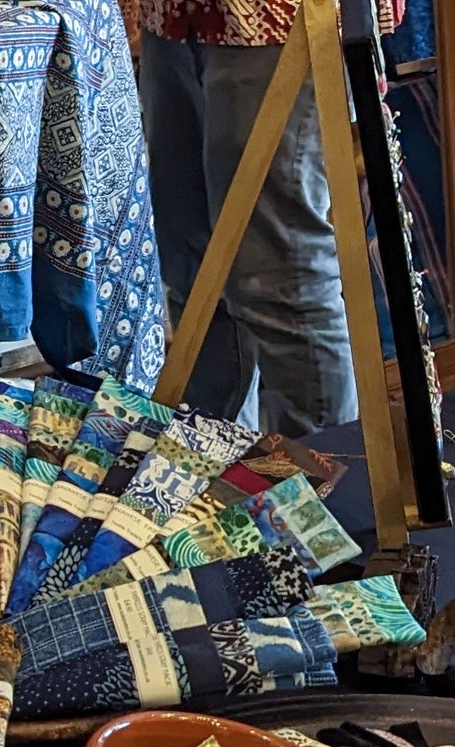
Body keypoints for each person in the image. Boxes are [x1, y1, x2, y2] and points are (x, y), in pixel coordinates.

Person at [137, 0, 386, 437]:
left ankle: (320, 489)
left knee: (278, 277)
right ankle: (216, 472)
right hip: (172, 15)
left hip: (278, 16)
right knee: (192, 272)